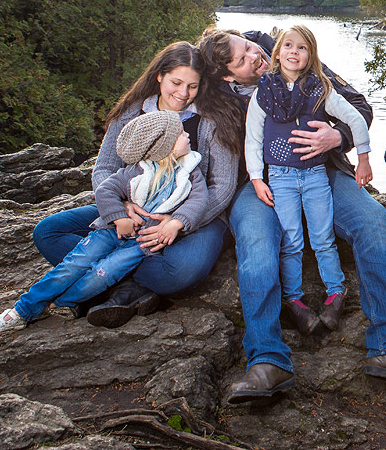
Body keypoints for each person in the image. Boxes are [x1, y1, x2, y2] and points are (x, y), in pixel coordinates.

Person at [196, 27, 386, 405]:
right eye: (244, 58)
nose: (256, 55)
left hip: (321, 171)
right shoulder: (215, 96)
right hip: (261, 184)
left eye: (251, 47)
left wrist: (338, 136)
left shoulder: (292, 52)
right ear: (227, 75)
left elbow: (358, 105)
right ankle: (267, 361)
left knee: (372, 220)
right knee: (257, 241)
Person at [31, 41, 236, 328]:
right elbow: (104, 168)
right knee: (48, 232)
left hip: (196, 214)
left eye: (192, 86)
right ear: (159, 75)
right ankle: (126, 285)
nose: (183, 93)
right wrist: (122, 208)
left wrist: (178, 220)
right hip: (135, 210)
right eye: (176, 82)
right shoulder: (132, 112)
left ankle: (111, 281)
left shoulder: (213, 119)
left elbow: (223, 185)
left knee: (183, 270)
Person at [0, 111, 203, 331]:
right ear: (164, 146)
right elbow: (106, 190)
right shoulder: (136, 172)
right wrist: (118, 217)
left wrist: (177, 222)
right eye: (181, 134)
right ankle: (22, 309)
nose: (187, 136)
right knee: (73, 264)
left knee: (104, 273)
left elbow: (199, 200)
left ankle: (59, 302)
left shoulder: (189, 172)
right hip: (109, 232)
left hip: (142, 244)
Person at [245, 25, 372, 334]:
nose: (294, 51)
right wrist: (256, 179)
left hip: (315, 175)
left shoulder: (320, 89)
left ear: (311, 55)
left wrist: (364, 159)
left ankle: (335, 292)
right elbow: (252, 138)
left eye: (302, 47)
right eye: (287, 45)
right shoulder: (264, 92)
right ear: (276, 52)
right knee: (290, 241)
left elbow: (355, 117)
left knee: (323, 237)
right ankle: (294, 300)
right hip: (280, 177)